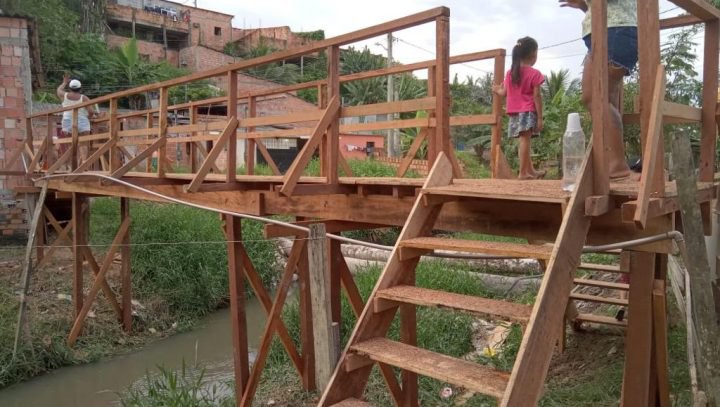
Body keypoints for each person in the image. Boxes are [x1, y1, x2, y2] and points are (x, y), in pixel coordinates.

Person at [560, 0, 638, 181]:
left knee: (598, 98)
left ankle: (617, 166)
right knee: (593, 97)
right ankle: (612, 163)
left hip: (616, 30)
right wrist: (582, 5)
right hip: (602, 31)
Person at [493, 36, 546, 180]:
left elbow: (504, 92)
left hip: (514, 112)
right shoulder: (535, 74)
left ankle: (530, 170)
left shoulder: (510, 73)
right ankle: (523, 173)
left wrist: (496, 89)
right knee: (525, 141)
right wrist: (540, 117)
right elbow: (537, 97)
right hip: (527, 111)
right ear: (533, 54)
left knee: (524, 140)